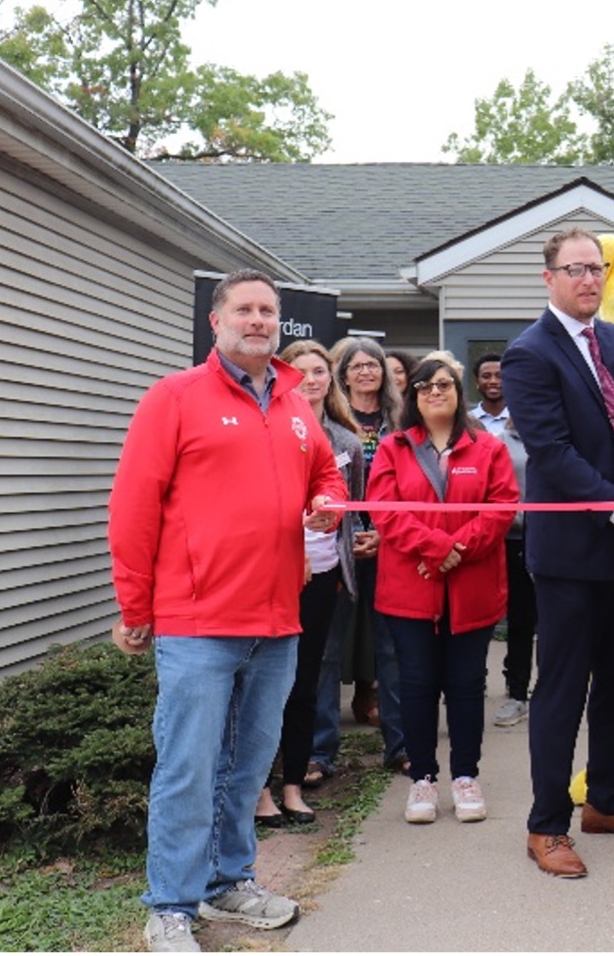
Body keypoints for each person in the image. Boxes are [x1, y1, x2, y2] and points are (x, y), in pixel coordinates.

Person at [108, 269, 345, 952]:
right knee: (188, 764)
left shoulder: (296, 404)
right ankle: (171, 905)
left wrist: (325, 500)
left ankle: (227, 881)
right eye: (243, 309)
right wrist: (135, 602)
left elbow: (324, 472)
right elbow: (132, 505)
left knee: (248, 763)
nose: (258, 319)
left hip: (277, 619)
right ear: (216, 321)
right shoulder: (174, 397)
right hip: (196, 620)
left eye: (267, 310)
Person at [500, 228, 614, 879]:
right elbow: (553, 455)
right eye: (574, 269)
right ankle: (546, 823)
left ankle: (607, 800)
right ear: (547, 277)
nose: (588, 279)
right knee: (560, 691)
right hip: (572, 553)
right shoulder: (528, 355)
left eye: (595, 268)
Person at [368, 353, 519, 825]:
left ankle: (465, 777)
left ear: (459, 392)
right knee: (415, 684)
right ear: (412, 396)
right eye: (426, 386)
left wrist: (458, 548)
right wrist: (435, 547)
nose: (436, 392)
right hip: (410, 587)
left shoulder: (487, 448)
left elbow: (501, 508)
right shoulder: (394, 448)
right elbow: (384, 510)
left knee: (467, 685)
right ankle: (423, 781)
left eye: (445, 384)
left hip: (472, 586)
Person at [254, 339, 366, 828]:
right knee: (259, 685)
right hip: (267, 574)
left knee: (305, 681)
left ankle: (294, 785)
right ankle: (258, 789)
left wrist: (356, 547)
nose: (311, 379)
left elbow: (353, 511)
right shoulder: (263, 432)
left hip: (322, 577)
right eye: (300, 371)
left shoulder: (347, 443)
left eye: (320, 370)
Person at [330, 338, 408, 772]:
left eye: (373, 365)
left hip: (390, 542)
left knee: (391, 649)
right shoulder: (333, 423)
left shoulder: (400, 422)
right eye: (356, 366)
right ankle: (321, 751)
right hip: (337, 543)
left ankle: (399, 746)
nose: (365, 373)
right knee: (327, 649)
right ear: (343, 375)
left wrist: (382, 532)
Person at [471, 352, 536, 727]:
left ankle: (517, 691)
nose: (495, 381)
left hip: (527, 535)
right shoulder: (469, 425)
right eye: (487, 375)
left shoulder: (529, 421)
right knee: (481, 614)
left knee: (523, 619)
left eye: (501, 375)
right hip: (486, 535)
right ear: (477, 382)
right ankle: (472, 681)